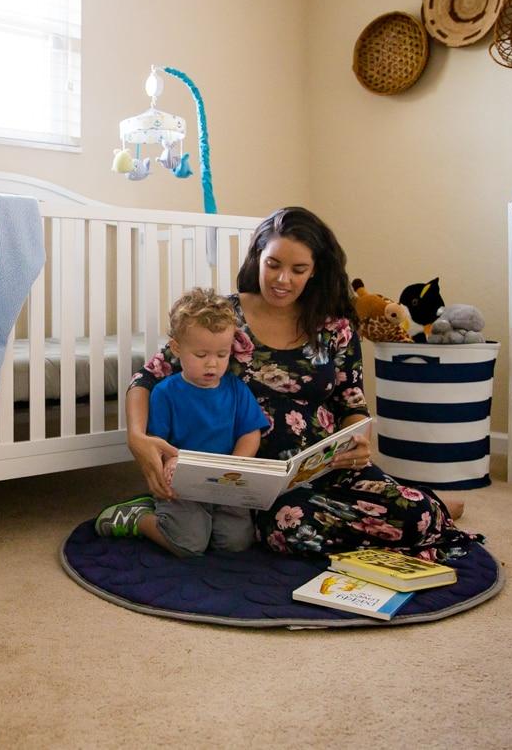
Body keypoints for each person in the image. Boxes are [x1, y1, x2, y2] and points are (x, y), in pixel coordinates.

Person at [118, 207, 481, 561]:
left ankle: (420, 509)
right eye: (273, 264)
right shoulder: (223, 318)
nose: (282, 280)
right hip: (253, 484)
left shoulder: (335, 326)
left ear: (315, 271)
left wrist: (357, 442)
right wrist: (137, 436)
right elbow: (148, 375)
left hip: (327, 468)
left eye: (298, 269)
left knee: (412, 515)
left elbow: (352, 402)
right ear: (258, 256)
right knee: (289, 527)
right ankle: (424, 511)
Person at [94, 288, 270, 557]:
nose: (212, 364)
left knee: (235, 544)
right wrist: (171, 463)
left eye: (222, 355)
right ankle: (138, 518)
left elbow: (250, 433)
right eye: (201, 356)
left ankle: (200, 522)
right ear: (176, 348)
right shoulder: (166, 393)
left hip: (225, 485)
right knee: (188, 544)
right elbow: (159, 444)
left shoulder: (236, 389)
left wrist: (237, 463)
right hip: (183, 485)